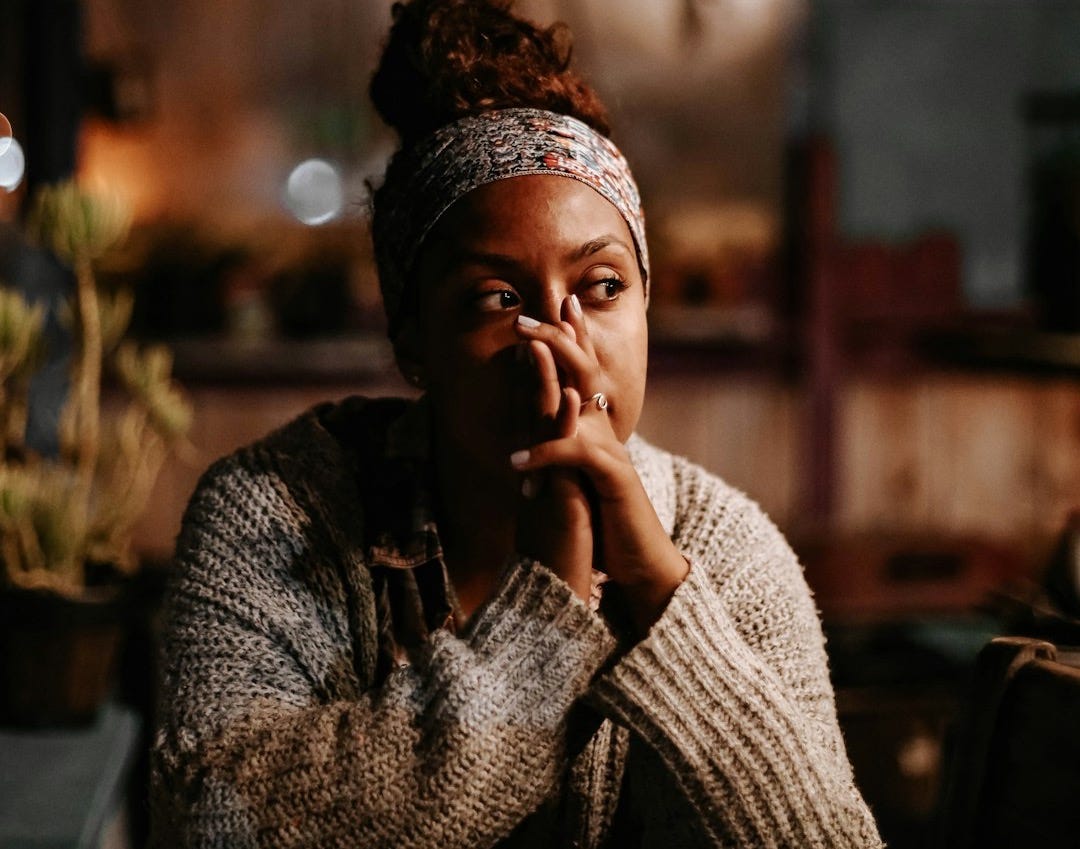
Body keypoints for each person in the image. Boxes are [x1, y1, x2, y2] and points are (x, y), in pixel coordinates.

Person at [149, 1, 883, 847]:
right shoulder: (277, 515)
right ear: (413, 339)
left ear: (647, 307)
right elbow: (213, 823)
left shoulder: (720, 547)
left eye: (603, 287)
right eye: (499, 299)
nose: (563, 345)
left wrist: (661, 599)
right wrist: (546, 615)